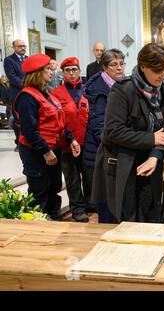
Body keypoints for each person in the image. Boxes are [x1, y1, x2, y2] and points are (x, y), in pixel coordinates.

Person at [92, 44, 164, 223]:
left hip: (150, 163)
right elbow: (113, 131)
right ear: (143, 66)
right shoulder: (123, 90)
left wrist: (155, 153)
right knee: (123, 219)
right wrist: (151, 138)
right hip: (122, 163)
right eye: (157, 70)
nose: (162, 75)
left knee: (149, 216)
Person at [13, 54, 80, 220]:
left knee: (53, 188)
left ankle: (53, 220)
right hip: (36, 152)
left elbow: (59, 122)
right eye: (48, 69)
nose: (52, 72)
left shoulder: (46, 93)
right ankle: (38, 228)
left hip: (53, 148)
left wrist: (70, 139)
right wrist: (45, 151)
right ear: (37, 72)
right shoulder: (27, 97)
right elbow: (29, 131)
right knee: (39, 192)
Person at [83, 49, 126, 218]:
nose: (119, 68)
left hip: (114, 147)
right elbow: (99, 126)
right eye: (114, 65)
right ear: (105, 68)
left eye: (121, 63)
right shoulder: (98, 89)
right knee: (106, 201)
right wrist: (120, 140)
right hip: (100, 150)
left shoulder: (120, 84)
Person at [50, 57, 90, 222]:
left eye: (74, 69)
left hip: (88, 142)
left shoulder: (88, 90)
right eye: (68, 70)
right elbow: (58, 120)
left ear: (79, 71)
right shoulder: (56, 93)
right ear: (63, 73)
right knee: (72, 177)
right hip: (67, 143)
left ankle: (90, 204)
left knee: (89, 176)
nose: (72, 73)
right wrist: (70, 137)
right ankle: (78, 209)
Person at [3, 39, 28, 151]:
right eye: (20, 46)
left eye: (24, 46)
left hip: (30, 94)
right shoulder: (9, 60)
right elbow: (12, 77)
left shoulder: (28, 59)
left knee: (30, 119)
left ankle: (29, 141)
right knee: (18, 120)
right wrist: (27, 85)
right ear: (14, 47)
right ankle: (19, 143)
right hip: (18, 94)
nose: (23, 48)